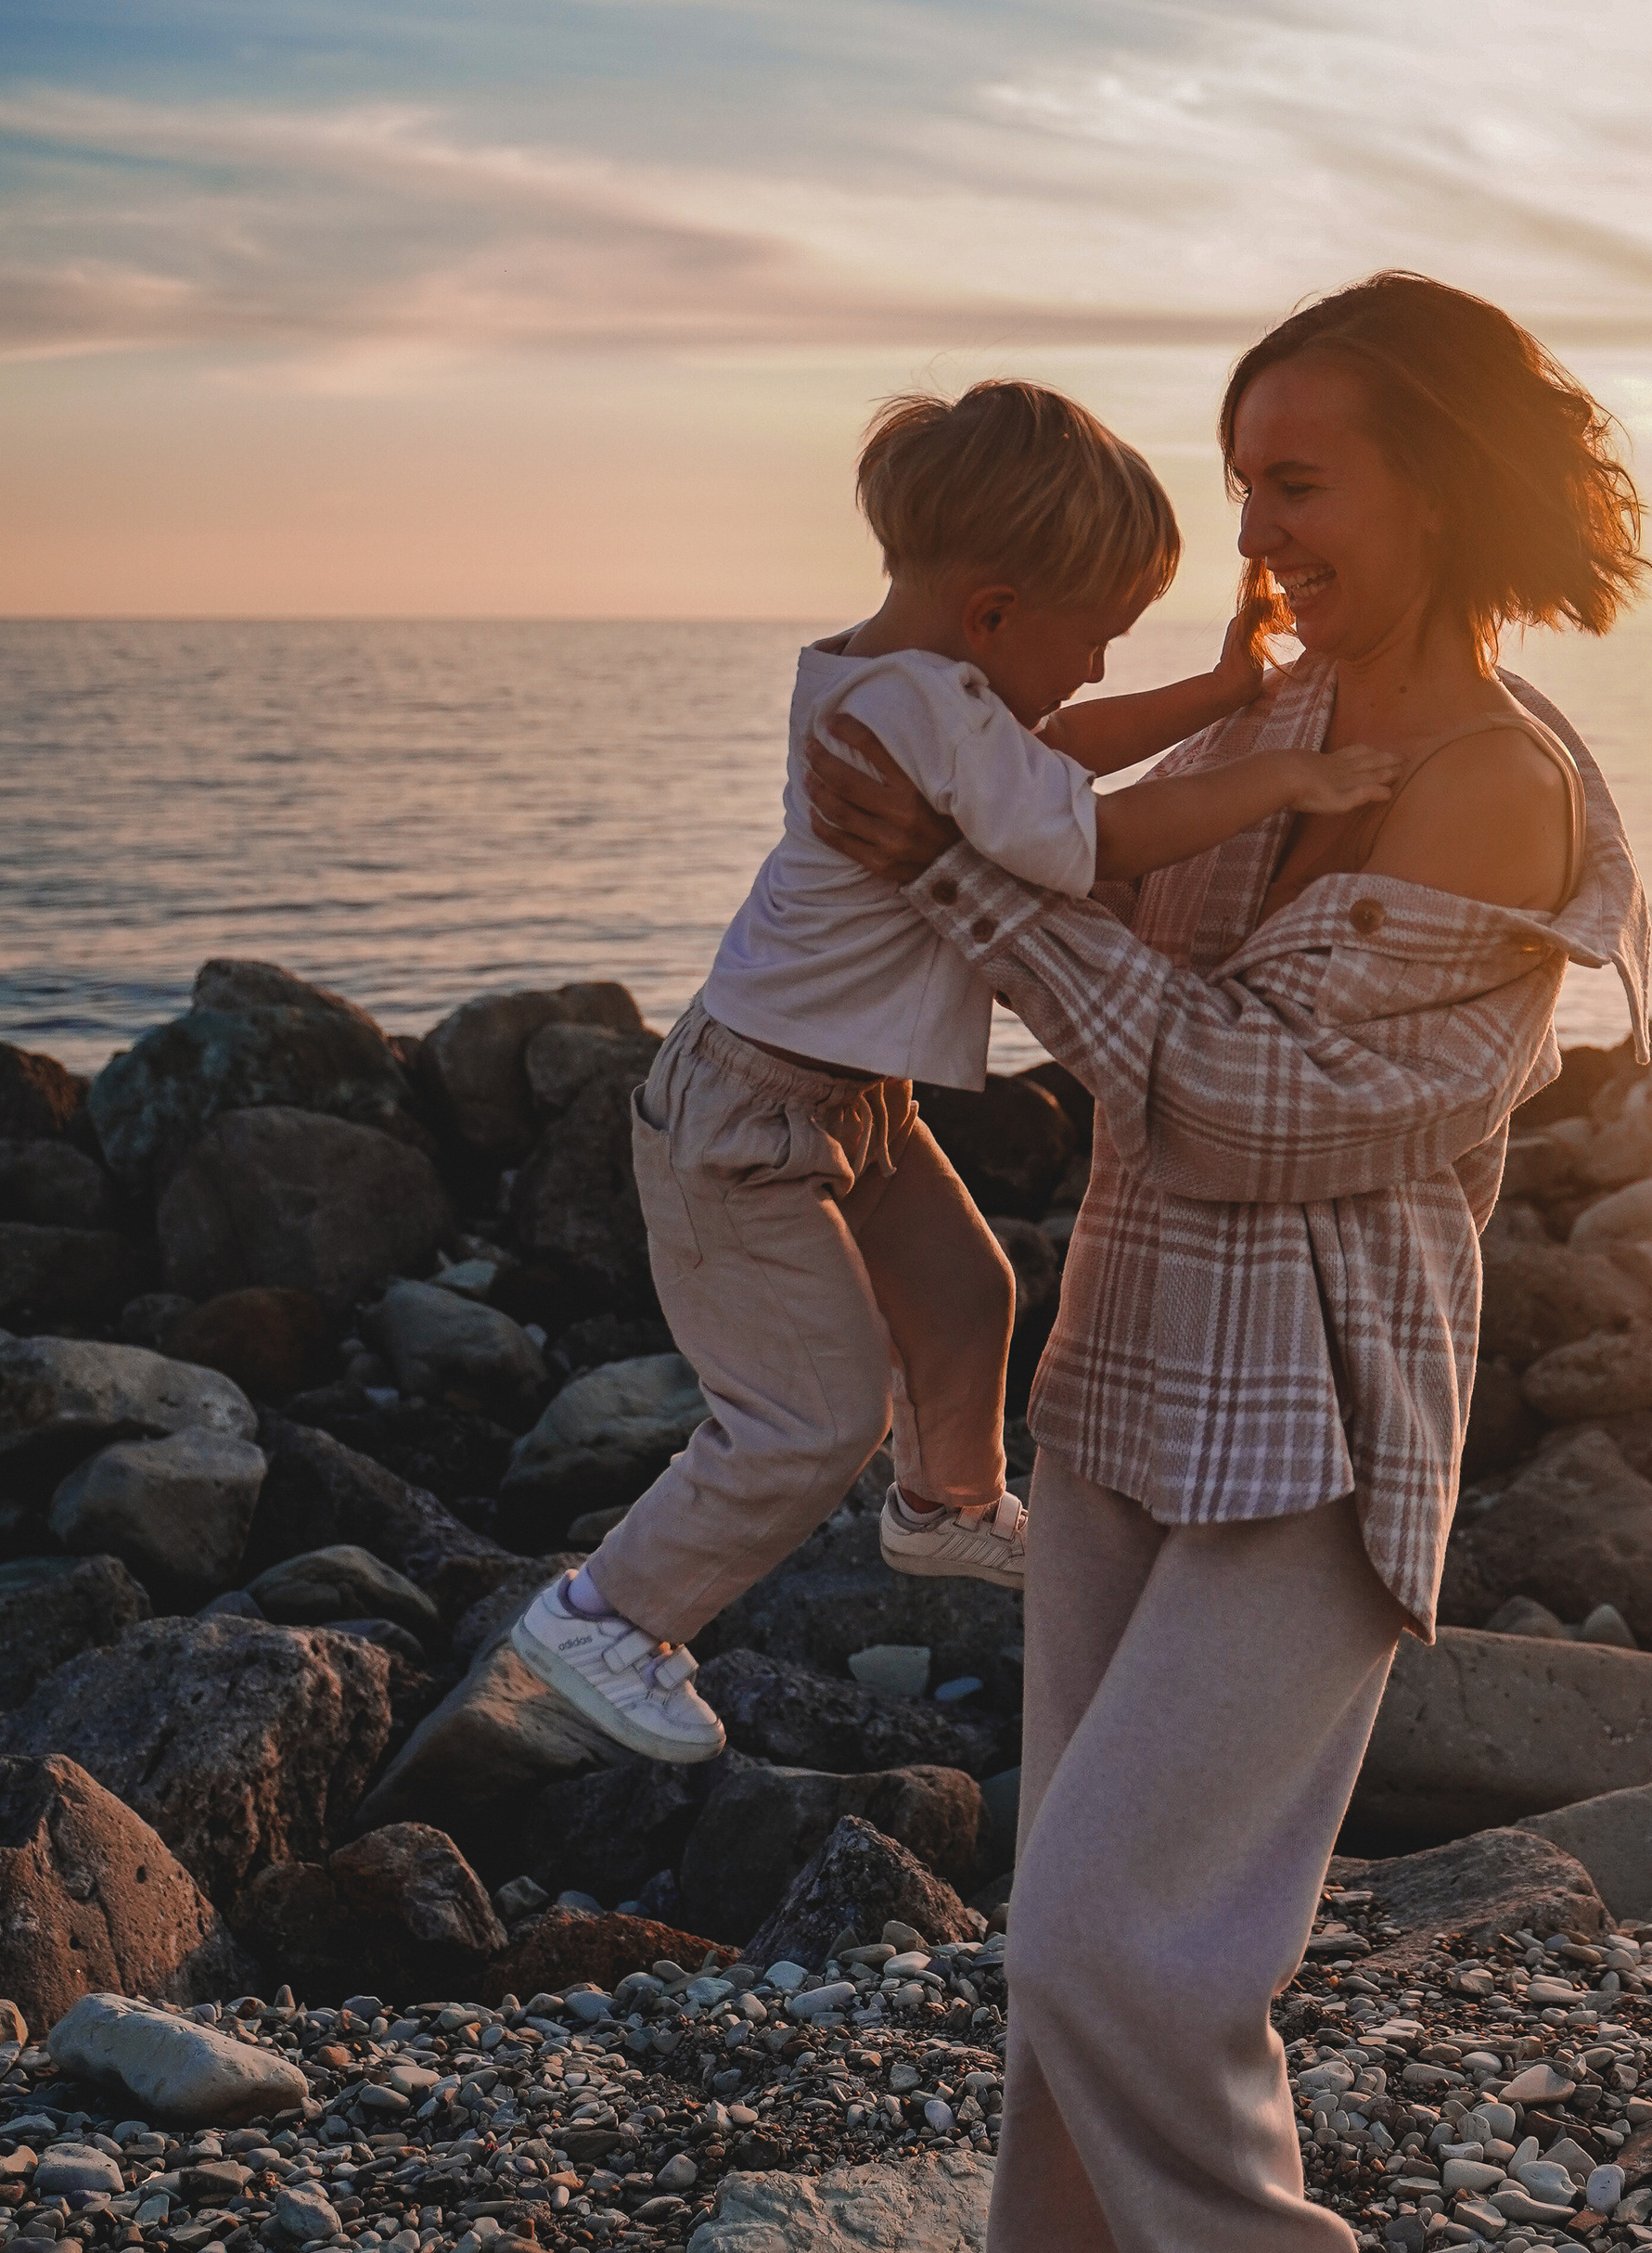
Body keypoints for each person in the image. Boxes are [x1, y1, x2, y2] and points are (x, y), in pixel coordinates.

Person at [802, 272, 1652, 2253]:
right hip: (1123, 1381)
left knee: (1127, 1930)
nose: (1258, 525)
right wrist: (917, 760)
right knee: (1055, 1931)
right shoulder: (1267, 713)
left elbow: (1258, 1105)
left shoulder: (1492, 782)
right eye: (1243, 474)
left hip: (1322, 1420)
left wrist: (969, 868)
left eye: (1300, 478)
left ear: (1438, 485)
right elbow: (1054, 872)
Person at [509, 378, 1401, 1763]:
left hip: (845, 1104)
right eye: (1096, 638)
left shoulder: (910, 681)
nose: (1101, 669)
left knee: (970, 1292)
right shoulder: (918, 713)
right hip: (746, 1122)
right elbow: (1091, 838)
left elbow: (1048, 756)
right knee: (811, 1420)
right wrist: (1277, 780)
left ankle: (948, 1508)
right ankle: (607, 1619)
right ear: (992, 615)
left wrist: (1224, 691)